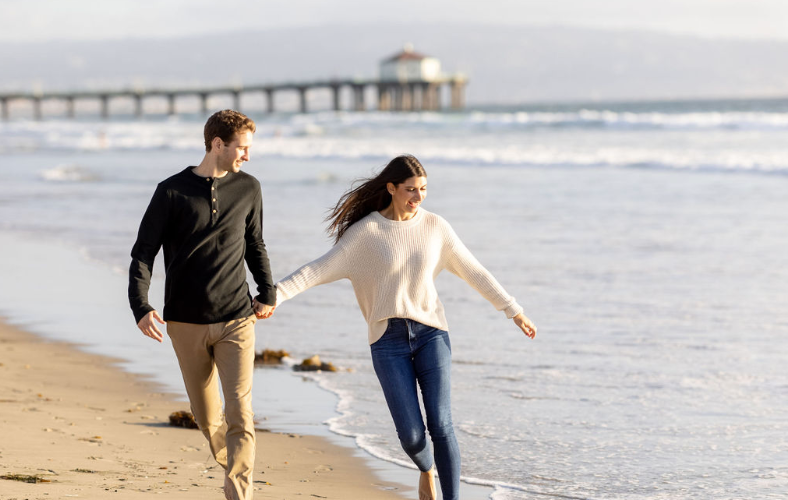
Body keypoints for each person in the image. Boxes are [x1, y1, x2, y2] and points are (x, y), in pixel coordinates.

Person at [272, 154, 536, 500]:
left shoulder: (436, 227)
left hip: (431, 334)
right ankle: (426, 469)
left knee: (441, 424)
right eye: (411, 189)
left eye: (424, 189)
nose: (419, 196)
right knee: (411, 435)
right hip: (387, 340)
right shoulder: (365, 232)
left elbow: (475, 270)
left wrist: (512, 310)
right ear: (392, 188)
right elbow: (317, 270)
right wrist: (273, 296)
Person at [128, 109, 276, 500]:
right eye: (242, 148)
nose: (247, 156)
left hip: (237, 318)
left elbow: (255, 244)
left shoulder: (249, 188)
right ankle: (233, 466)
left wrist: (267, 290)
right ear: (217, 145)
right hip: (185, 321)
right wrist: (140, 306)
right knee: (209, 417)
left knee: (241, 410)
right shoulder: (171, 191)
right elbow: (144, 253)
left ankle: (239, 490)